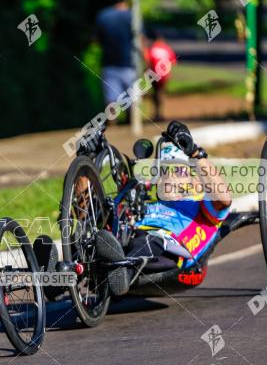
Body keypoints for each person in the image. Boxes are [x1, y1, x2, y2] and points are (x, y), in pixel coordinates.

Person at [95, 121, 232, 295]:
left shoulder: (203, 206)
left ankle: (122, 271)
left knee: (149, 240)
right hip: (126, 240)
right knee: (104, 220)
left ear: (196, 182)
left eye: (179, 171)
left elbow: (224, 199)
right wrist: (86, 158)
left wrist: (195, 153)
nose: (170, 178)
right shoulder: (145, 203)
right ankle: (60, 275)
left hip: (169, 251)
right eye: (165, 171)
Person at [95, 0, 135, 121]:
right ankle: (131, 125)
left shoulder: (103, 16)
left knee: (111, 103)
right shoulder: (132, 16)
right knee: (132, 101)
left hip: (109, 64)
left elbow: (97, 40)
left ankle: (113, 131)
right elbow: (139, 39)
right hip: (129, 64)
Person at [144, 28, 177, 121]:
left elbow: (148, 60)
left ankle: (156, 113)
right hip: (164, 75)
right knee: (160, 93)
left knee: (156, 93)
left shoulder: (152, 48)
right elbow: (172, 61)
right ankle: (159, 113)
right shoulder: (166, 48)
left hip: (154, 73)